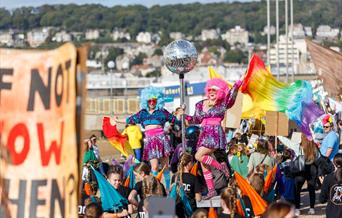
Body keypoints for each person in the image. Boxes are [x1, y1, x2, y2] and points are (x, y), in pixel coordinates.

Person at [185, 77, 243, 199]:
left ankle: (221, 167)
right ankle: (211, 190)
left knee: (198, 156)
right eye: (210, 89)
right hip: (204, 133)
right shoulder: (200, 104)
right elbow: (196, 119)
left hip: (214, 133)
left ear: (220, 92)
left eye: (215, 90)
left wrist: (238, 83)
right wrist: (185, 116)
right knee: (202, 163)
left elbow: (232, 95)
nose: (212, 92)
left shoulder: (223, 104)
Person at [120, 87, 181, 191]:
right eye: (149, 101)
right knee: (154, 167)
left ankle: (167, 187)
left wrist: (182, 114)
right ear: (146, 101)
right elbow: (129, 119)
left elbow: (175, 120)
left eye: (154, 100)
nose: (152, 103)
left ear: (158, 101)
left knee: (166, 166)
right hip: (150, 142)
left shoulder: (162, 111)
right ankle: (155, 187)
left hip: (162, 140)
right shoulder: (142, 113)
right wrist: (116, 121)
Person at [294, 135, 318, 215]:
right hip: (312, 169)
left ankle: (297, 209)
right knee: (311, 190)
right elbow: (317, 157)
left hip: (301, 169)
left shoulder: (300, 147)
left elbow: (296, 157)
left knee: (297, 190)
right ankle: (312, 208)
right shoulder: (314, 147)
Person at [319, 153, 342, 218]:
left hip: (332, 214)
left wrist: (324, 185)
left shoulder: (328, 178)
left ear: (334, 163)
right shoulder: (328, 178)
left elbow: (322, 200)